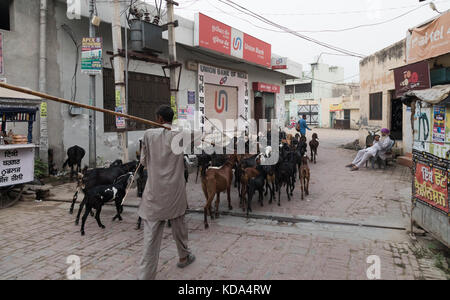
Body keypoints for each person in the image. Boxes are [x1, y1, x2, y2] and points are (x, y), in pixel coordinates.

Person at [138, 105, 196, 280]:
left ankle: (146, 277)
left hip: (155, 192)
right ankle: (184, 256)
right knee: (179, 224)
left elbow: (143, 162)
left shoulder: (148, 135)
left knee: (151, 237)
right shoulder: (181, 135)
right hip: (175, 192)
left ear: (159, 119)